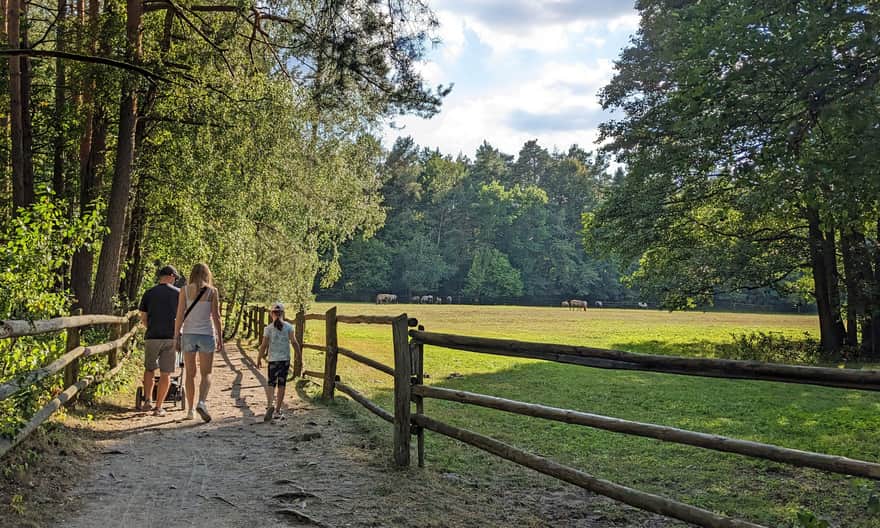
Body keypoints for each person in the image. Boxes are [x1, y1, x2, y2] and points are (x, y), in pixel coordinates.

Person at [173, 263, 223, 422]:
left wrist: (176, 336)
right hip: (206, 335)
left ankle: (190, 410)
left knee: (190, 373)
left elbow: (180, 315)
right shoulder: (212, 292)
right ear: (207, 274)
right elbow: (216, 317)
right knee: (206, 373)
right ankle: (201, 402)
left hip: (188, 334)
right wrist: (220, 337)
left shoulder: (184, 290)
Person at [138, 265, 180, 416]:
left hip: (152, 336)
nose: (175, 281)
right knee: (165, 373)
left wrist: (150, 327)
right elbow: (181, 316)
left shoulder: (149, 293)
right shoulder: (178, 294)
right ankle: (159, 407)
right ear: (170, 276)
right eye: (175, 278)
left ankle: (148, 400)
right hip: (170, 337)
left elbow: (143, 316)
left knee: (149, 369)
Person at [257, 302, 300, 422]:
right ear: (283, 314)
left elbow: (264, 345)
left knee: (271, 383)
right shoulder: (289, 327)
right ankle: (277, 410)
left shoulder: (268, 328)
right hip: (285, 360)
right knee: (282, 384)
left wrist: (259, 358)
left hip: (273, 360)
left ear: (272, 314)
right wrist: (299, 356)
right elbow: (294, 342)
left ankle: (270, 404)